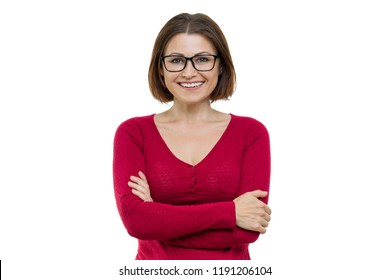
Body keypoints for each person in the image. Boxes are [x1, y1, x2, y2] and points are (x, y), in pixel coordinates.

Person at [113, 13, 271, 260]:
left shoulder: (251, 133)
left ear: (221, 66)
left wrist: (157, 215)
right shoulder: (133, 133)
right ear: (160, 67)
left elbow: (248, 231)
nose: (189, 72)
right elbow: (136, 222)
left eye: (202, 59)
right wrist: (230, 212)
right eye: (176, 60)